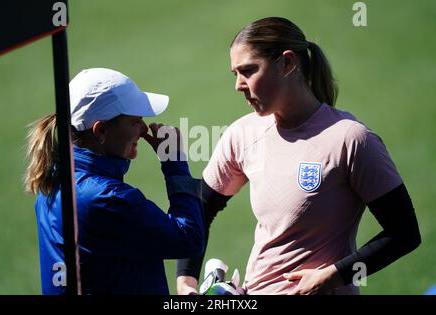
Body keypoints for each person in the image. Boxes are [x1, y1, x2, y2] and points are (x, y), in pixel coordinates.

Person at [176, 17, 421, 295]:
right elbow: (200, 208)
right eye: (235, 73)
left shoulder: (350, 139)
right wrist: (186, 282)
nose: (238, 85)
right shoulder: (243, 133)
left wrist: (335, 275)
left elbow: (404, 233)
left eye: (248, 71)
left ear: (287, 64)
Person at [25, 68, 205, 294]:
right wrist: (175, 160)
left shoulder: (53, 181)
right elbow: (189, 239)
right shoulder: (108, 198)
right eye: (135, 121)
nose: (143, 129)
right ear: (101, 130)